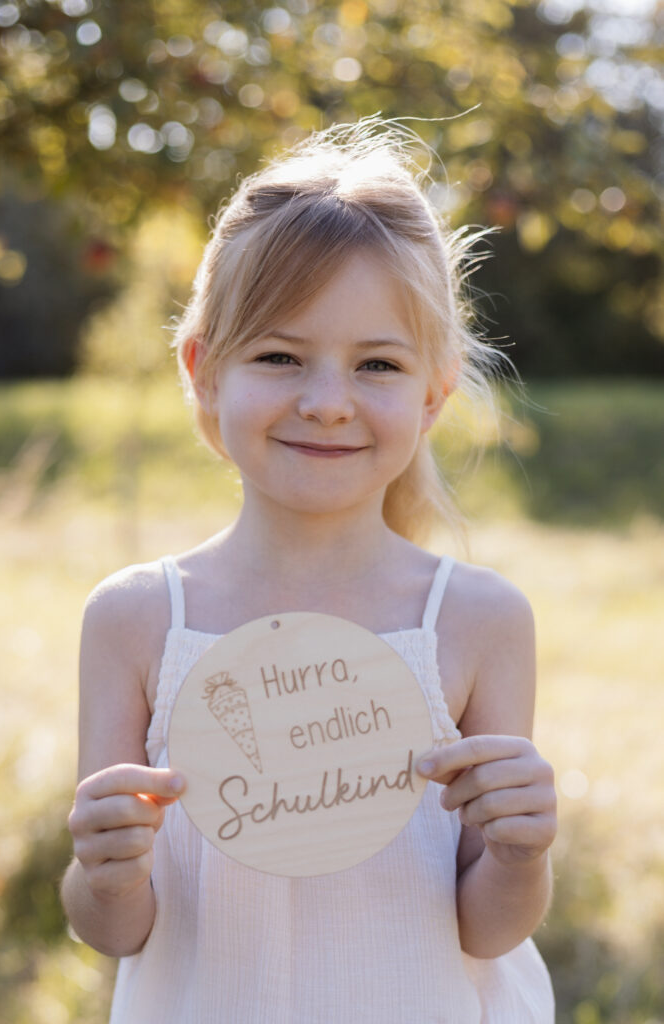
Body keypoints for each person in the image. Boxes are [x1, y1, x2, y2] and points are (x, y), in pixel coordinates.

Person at [61, 117, 557, 1023]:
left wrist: (521, 852)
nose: (327, 403)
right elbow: (114, 928)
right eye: (280, 356)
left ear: (432, 393)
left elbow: (486, 928)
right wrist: (104, 866)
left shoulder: (476, 620)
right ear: (203, 372)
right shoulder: (138, 620)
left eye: (376, 364)